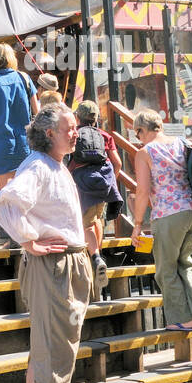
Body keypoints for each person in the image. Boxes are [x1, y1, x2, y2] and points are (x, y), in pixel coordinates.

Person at [0, 104, 97, 383]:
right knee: (55, 348)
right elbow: (4, 204)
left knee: (45, 346)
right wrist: (28, 240)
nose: (75, 132)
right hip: (54, 266)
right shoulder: (38, 166)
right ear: (49, 132)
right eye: (69, 127)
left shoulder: (52, 165)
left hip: (61, 263)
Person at [130, 109, 192, 331]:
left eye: (138, 134)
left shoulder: (145, 152)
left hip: (167, 214)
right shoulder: (183, 143)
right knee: (186, 263)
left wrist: (137, 224)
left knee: (165, 269)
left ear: (142, 130)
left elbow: (143, 191)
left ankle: (183, 319)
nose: (138, 139)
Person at [69, 100, 123, 291]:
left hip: (83, 183)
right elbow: (117, 163)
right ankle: (97, 252)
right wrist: (109, 182)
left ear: (78, 117)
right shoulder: (105, 135)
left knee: (87, 223)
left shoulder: (75, 135)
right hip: (102, 182)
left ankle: (95, 257)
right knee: (97, 219)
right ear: (96, 118)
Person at [0, 44, 40, 194]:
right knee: (27, 195)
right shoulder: (24, 78)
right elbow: (37, 111)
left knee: (8, 197)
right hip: (25, 144)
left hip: (1, 146)